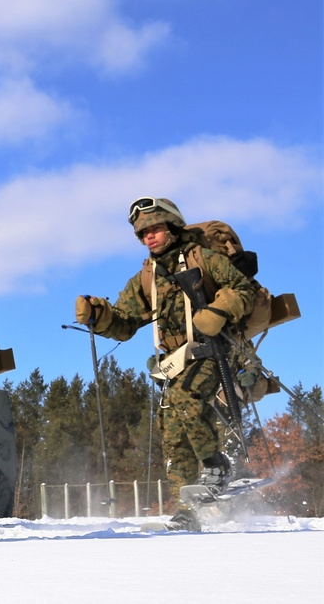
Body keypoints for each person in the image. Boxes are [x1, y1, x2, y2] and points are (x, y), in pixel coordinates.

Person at [74, 197, 256, 530]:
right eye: (143, 233)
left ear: (171, 226)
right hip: (176, 359)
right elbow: (126, 323)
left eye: (155, 229)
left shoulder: (205, 259)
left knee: (185, 399)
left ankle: (217, 467)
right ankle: (189, 510)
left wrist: (218, 310)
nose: (150, 237)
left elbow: (244, 289)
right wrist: (100, 317)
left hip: (214, 348)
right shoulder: (147, 276)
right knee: (171, 429)